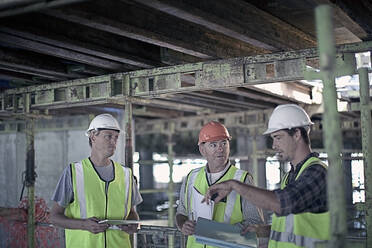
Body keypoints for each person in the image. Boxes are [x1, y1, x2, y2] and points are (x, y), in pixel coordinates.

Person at [203, 104, 330, 248]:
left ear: (296, 134)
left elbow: (284, 203)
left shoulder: (318, 172)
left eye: (278, 137)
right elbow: (293, 227)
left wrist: (234, 185)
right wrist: (263, 231)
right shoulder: (289, 177)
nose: (274, 145)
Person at [50, 113, 143, 248]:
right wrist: (83, 225)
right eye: (108, 136)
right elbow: (54, 217)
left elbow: (132, 213)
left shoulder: (126, 175)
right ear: (93, 136)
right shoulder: (74, 172)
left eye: (116, 137)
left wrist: (133, 224)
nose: (113, 142)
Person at [176, 121, 265, 248]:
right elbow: (181, 213)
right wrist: (183, 225)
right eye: (213, 145)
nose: (220, 148)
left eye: (224, 143)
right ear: (202, 150)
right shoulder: (191, 178)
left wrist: (214, 232)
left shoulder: (243, 179)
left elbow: (256, 223)